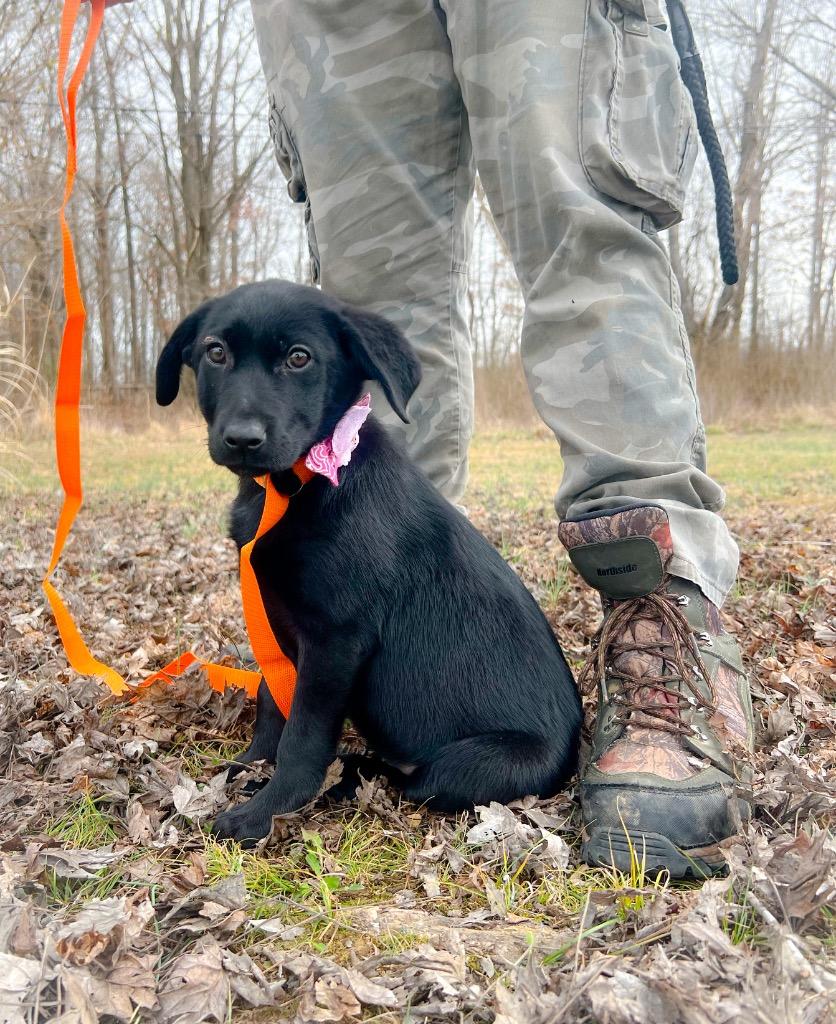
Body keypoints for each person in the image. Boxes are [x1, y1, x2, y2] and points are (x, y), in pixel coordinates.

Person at [107, 0, 754, 877]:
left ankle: (658, 612)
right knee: (374, 262)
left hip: (504, 744)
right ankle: (386, 674)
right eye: (219, 358)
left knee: (576, 202)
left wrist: (289, 784)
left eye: (291, 359)